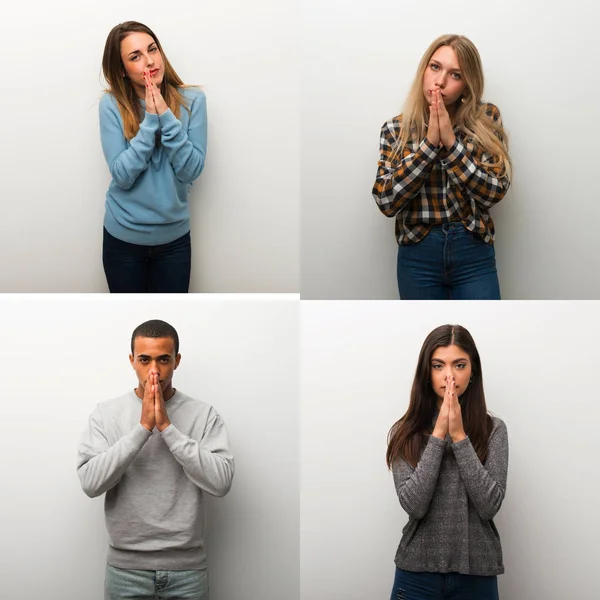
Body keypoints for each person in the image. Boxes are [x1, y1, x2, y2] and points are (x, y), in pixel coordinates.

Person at [77, 319, 234, 600]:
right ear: (131, 360)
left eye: (163, 360)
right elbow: (90, 483)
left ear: (177, 361)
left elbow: (221, 483)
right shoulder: (105, 414)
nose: (154, 371)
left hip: (188, 572)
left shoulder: (205, 414)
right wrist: (143, 429)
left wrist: (167, 429)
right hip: (125, 572)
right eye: (144, 359)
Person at [372, 35, 512, 300]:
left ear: (467, 85)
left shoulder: (486, 119)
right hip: (418, 252)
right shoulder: (395, 129)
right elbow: (386, 201)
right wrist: (429, 146)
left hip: (473, 251)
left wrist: (450, 143)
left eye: (455, 74)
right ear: (424, 69)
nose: (440, 81)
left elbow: (494, 192)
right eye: (435, 67)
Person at [386, 324, 508, 600]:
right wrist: (439, 434)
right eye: (438, 365)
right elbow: (414, 506)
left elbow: (489, 506)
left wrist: (460, 436)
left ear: (473, 371)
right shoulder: (404, 432)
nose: (449, 376)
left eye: (459, 365)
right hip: (416, 573)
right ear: (426, 373)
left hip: (477, 573)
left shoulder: (495, 430)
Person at [100, 22, 207, 293]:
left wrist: (166, 116)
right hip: (122, 239)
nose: (149, 61)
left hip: (174, 241)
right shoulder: (111, 105)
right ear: (122, 70)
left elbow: (192, 170)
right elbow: (122, 176)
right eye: (135, 56)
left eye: (152, 50)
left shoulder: (193, 100)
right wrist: (150, 120)